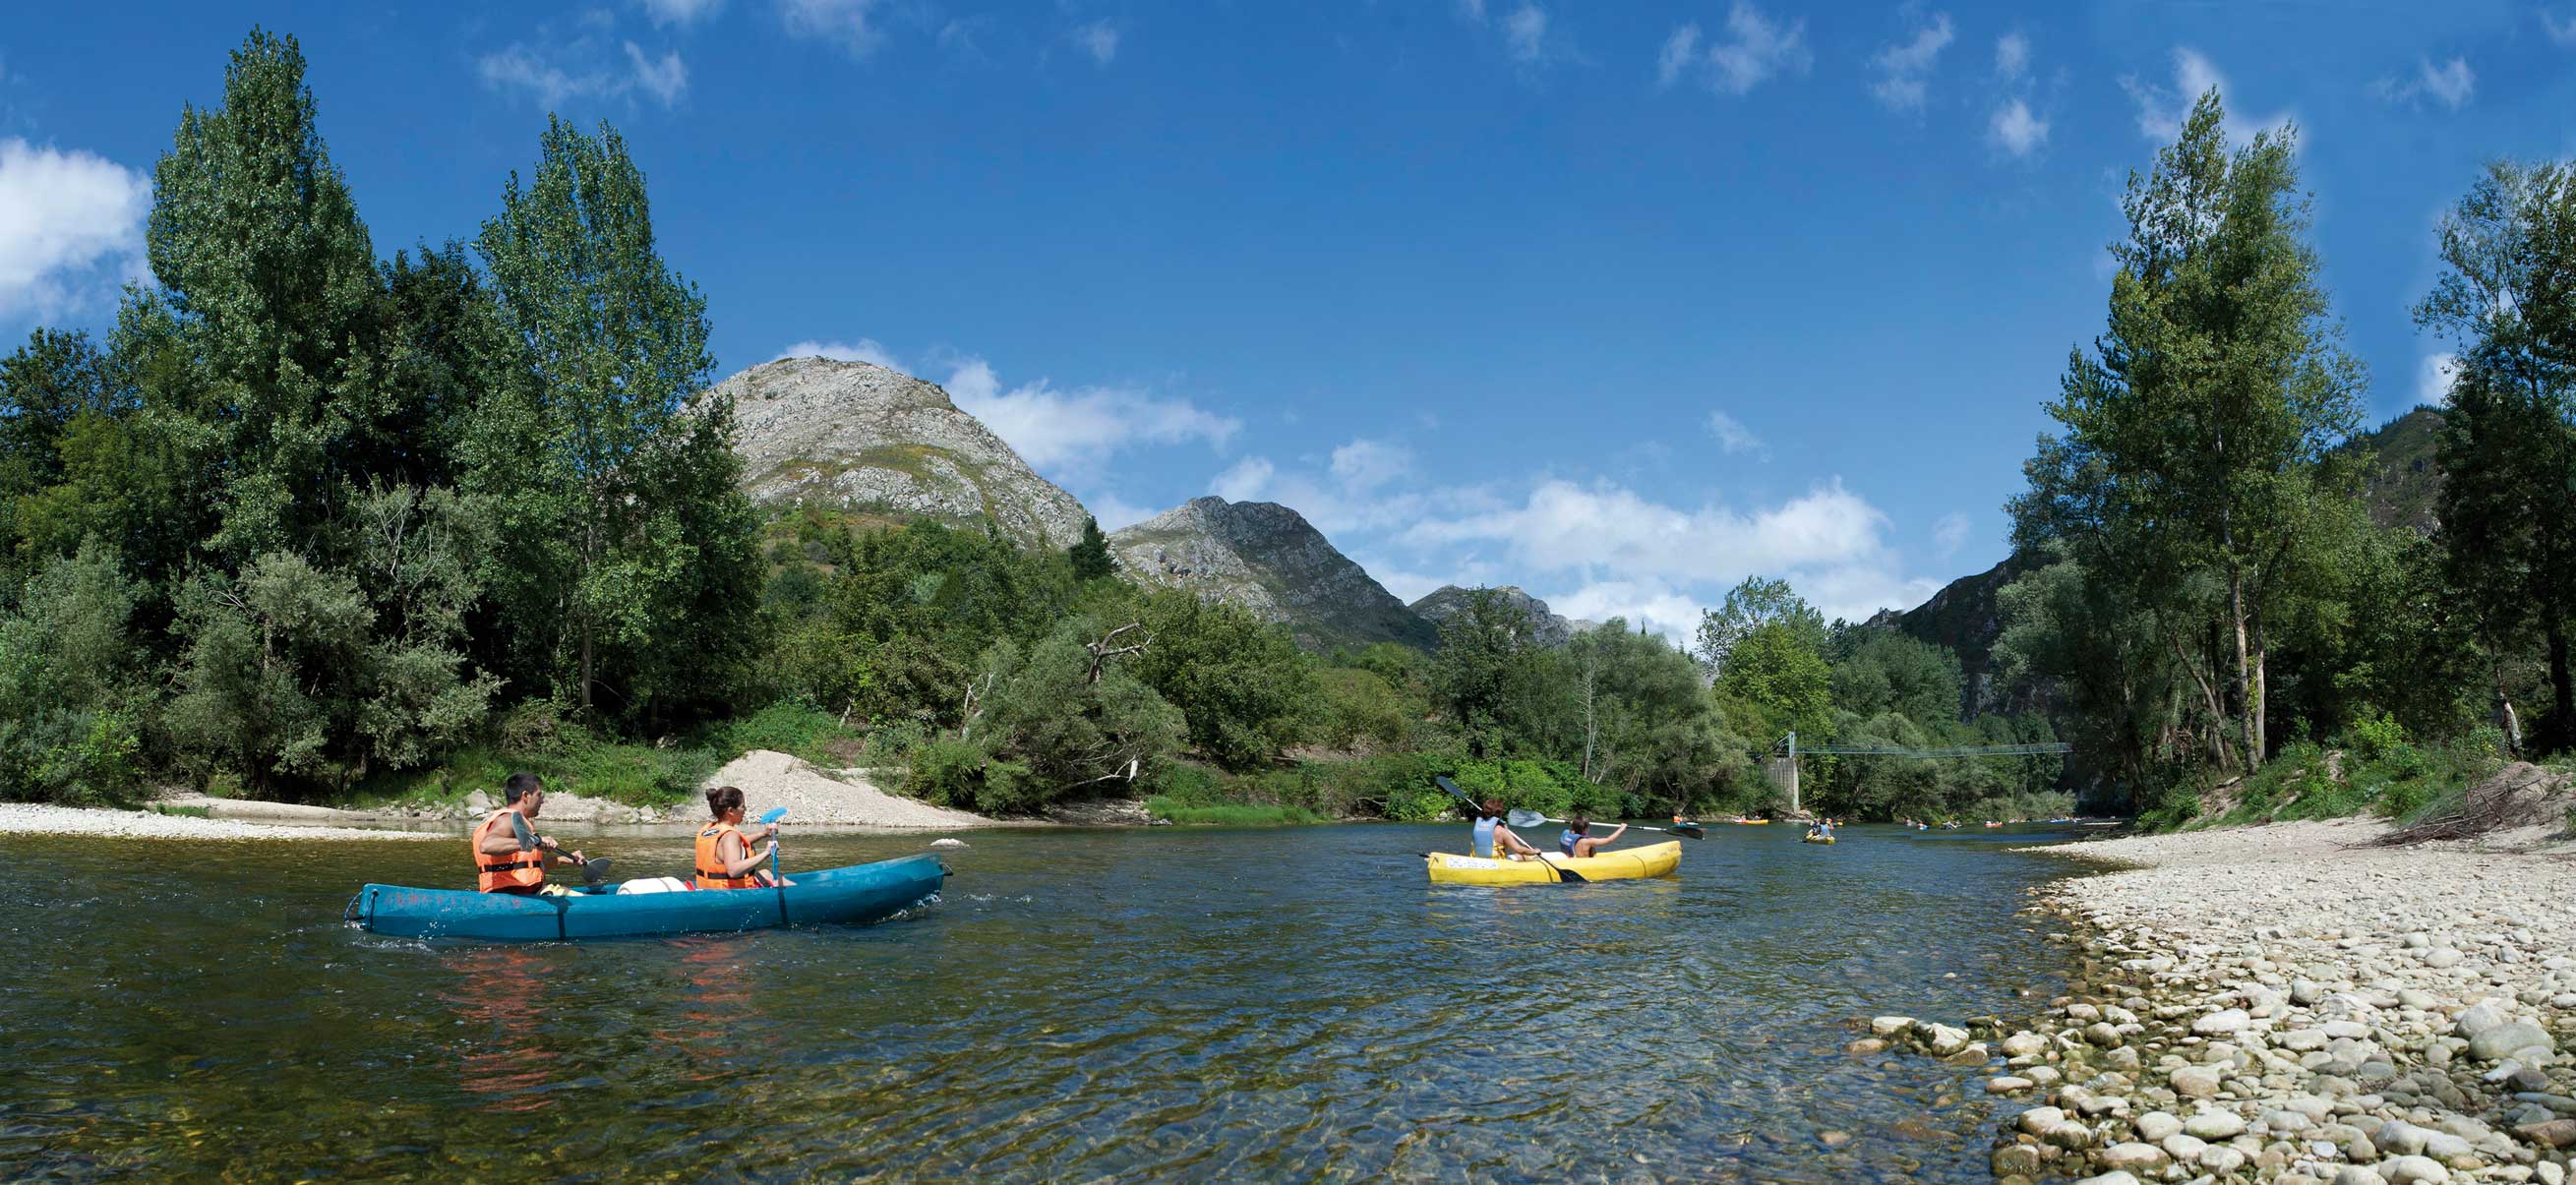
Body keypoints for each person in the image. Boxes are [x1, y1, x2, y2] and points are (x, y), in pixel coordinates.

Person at [472, 772, 586, 896]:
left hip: (514, 894)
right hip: (517, 896)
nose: (542, 801)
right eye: (539, 795)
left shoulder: (514, 822)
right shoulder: (507, 819)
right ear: (526, 796)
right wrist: (533, 841)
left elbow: (528, 867)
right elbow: (487, 845)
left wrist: (564, 859)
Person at [695, 785, 785, 890]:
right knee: (779, 881)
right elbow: (733, 871)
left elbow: (736, 845)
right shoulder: (730, 835)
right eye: (742, 806)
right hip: (727, 894)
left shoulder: (711, 829)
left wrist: (763, 834)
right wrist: (767, 852)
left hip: (707, 888)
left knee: (765, 873)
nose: (745, 810)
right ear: (730, 811)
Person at [1468, 797, 1543, 860]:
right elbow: (1519, 849)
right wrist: (1534, 851)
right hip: (1497, 863)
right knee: (1524, 855)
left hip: (1477, 860)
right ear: (1500, 813)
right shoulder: (1501, 831)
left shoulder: (1478, 826)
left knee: (1518, 856)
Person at [1558, 813, 1628, 859]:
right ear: (1586, 829)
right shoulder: (1588, 841)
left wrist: (1575, 824)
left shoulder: (1566, 833)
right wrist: (1621, 828)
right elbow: (1608, 840)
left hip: (1571, 860)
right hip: (1584, 865)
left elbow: (1573, 830)